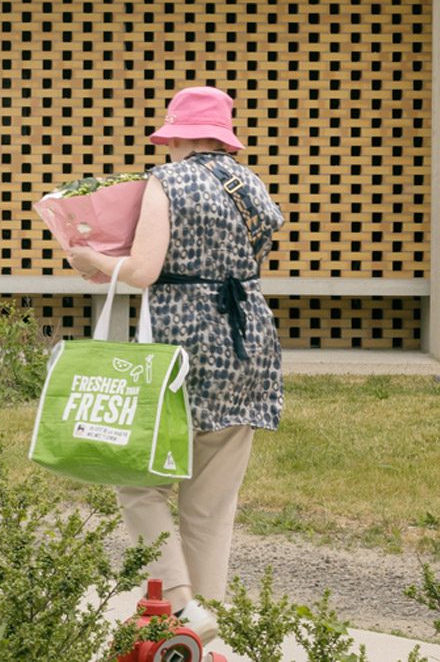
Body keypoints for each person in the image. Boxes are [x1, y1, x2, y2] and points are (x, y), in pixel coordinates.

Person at [62, 86, 284, 640]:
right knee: (211, 505)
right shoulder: (252, 187)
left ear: (178, 134)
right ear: (223, 136)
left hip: (184, 347)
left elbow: (144, 270)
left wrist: (91, 259)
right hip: (249, 345)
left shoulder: (168, 179)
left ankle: (180, 604)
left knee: (136, 480)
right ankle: (204, 625)